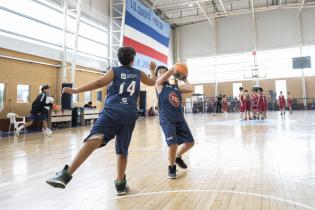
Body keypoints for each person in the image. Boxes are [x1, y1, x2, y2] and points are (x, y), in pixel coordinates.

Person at [45, 47, 157, 195]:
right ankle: (120, 185)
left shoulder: (115, 71)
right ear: (133, 60)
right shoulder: (138, 73)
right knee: (122, 150)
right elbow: (151, 82)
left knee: (95, 137)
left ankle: (66, 174)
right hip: (130, 113)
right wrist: (153, 70)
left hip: (113, 111)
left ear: (119, 59)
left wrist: (76, 91)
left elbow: (99, 83)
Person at [155, 65, 194, 179]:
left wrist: (184, 78)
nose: (162, 73)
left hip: (179, 118)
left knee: (190, 142)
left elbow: (190, 89)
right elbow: (159, 79)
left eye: (164, 71)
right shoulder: (159, 85)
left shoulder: (175, 87)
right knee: (173, 144)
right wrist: (171, 70)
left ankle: (177, 157)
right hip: (167, 119)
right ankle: (171, 167)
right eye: (160, 72)